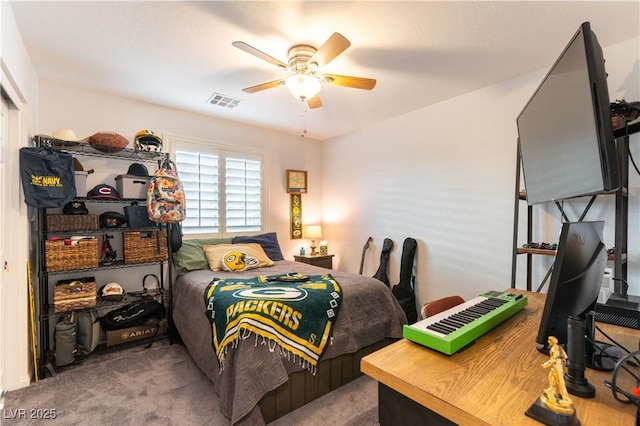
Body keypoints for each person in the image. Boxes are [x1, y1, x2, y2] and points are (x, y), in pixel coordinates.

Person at [541, 336, 573, 411]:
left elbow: (553, 359)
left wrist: (546, 364)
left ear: (552, 342)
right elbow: (565, 356)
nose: (548, 342)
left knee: (560, 382)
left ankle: (566, 399)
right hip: (556, 365)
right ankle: (552, 389)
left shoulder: (556, 349)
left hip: (558, 365)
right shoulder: (556, 348)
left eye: (549, 341)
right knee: (551, 376)